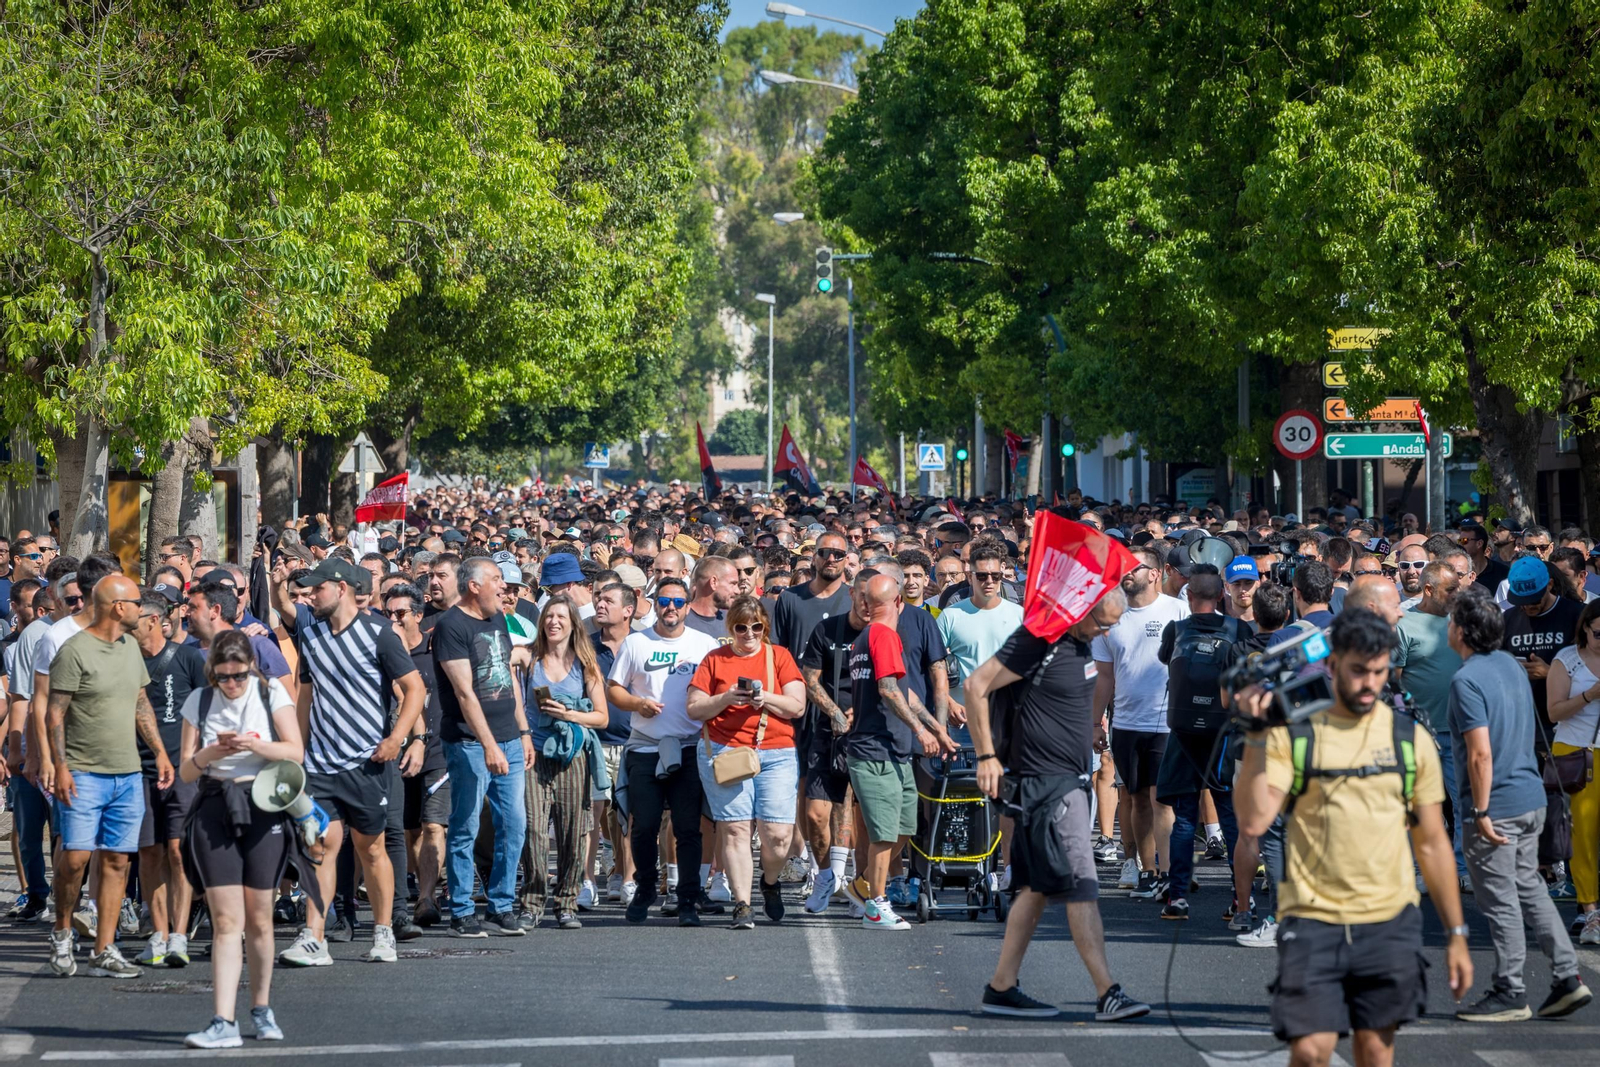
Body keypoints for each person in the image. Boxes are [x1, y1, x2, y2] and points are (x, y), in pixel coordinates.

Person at [1233, 609, 1471, 1067]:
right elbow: (1254, 821)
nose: (1369, 683)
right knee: (1310, 1049)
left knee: (1375, 1049)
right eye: (1358, 671)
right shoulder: (1295, 733)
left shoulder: (1409, 739)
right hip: (1311, 919)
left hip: (1389, 921)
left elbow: (1433, 842)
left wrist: (1457, 933)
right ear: (1333, 662)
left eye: (1379, 672)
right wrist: (1256, 735)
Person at [963, 585, 1151, 1021]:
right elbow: (975, 686)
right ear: (1082, 609)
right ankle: (1108, 992)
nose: (1107, 630)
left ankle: (1001, 986)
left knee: (1035, 889)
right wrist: (986, 756)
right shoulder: (1040, 638)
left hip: (1062, 783)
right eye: (1102, 621)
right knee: (1083, 886)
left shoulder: (1081, 643)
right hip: (1048, 787)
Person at [1442, 589, 1592, 1021]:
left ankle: (1510, 990)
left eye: (1452, 622)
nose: (1448, 628)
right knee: (1529, 887)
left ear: (1463, 632)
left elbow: (1479, 754)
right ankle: (1567, 977)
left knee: (1501, 898)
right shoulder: (1509, 664)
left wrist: (1482, 811)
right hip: (1530, 797)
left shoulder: (1466, 680)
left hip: (1498, 804)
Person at [276, 559, 424, 965]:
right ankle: (314, 937)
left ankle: (383, 931)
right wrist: (299, 752)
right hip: (321, 763)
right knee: (320, 845)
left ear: (340, 588)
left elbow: (413, 689)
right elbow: (305, 696)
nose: (308, 596)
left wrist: (398, 738)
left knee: (371, 848)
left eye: (315, 589)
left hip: (368, 763)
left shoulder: (380, 634)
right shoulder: (311, 636)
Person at [177, 631, 305, 1048]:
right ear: (212, 672)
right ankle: (223, 1020)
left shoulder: (271, 696)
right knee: (227, 922)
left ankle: (262, 1008)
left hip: (263, 803)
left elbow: (295, 751)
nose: (232, 685)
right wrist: (211, 753)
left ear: (251, 667)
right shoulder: (200, 701)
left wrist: (255, 745)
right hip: (216, 804)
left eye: (239, 676)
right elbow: (186, 772)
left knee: (260, 919)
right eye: (224, 677)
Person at [45, 574, 175, 979]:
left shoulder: (129, 649)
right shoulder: (74, 651)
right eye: (137, 602)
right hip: (83, 773)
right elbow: (55, 712)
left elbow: (141, 704)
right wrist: (60, 765)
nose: (143, 609)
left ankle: (105, 947)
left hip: (128, 774)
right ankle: (63, 932)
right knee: (77, 858)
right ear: (119, 607)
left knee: (119, 859)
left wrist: (159, 751)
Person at [841, 574, 958, 930]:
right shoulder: (882, 635)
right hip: (875, 750)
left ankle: (862, 886)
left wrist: (937, 727)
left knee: (906, 827)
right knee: (884, 835)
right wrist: (921, 730)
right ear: (898, 604)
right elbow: (889, 690)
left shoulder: (869, 636)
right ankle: (876, 906)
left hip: (896, 751)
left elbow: (905, 693)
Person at [687, 595, 807, 929]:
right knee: (736, 828)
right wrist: (726, 698)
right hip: (727, 752)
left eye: (755, 627)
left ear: (764, 627)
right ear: (732, 628)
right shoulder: (715, 659)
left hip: (776, 752)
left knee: (778, 835)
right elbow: (694, 707)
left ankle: (769, 882)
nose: (749, 634)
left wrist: (763, 697)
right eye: (741, 627)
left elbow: (797, 706)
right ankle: (742, 903)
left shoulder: (778, 656)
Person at [607, 576, 721, 924]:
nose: (670, 608)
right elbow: (614, 689)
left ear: (688, 606)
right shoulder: (636, 643)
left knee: (688, 827)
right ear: (654, 603)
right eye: (664, 601)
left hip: (687, 749)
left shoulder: (704, 644)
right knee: (643, 826)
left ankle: (687, 898)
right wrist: (636, 703)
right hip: (644, 748)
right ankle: (644, 888)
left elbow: (718, 691)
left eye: (678, 602)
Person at [434, 557, 532, 938]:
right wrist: (489, 744)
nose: (504, 587)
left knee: (515, 824)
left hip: (509, 736)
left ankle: (501, 905)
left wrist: (522, 733)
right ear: (474, 585)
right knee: (466, 825)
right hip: (470, 743)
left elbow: (509, 678)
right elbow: (464, 692)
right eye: (496, 580)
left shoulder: (497, 619)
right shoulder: (451, 625)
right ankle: (461, 909)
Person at [1091, 545, 1188, 900]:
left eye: (1134, 566)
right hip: (1126, 723)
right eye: (1122, 566)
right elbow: (1104, 676)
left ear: (1155, 572)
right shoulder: (1110, 614)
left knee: (1161, 799)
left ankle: (1166, 872)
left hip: (1168, 721)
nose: (1126, 572)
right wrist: (1094, 723)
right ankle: (1147, 871)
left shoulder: (1179, 610)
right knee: (1136, 798)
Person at [1153, 566, 1249, 922]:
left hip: (1183, 735)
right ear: (1221, 595)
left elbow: (1165, 659)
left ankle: (1177, 896)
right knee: (1229, 817)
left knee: (1183, 819)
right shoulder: (1239, 629)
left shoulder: (1176, 630)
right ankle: (1242, 899)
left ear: (1189, 597)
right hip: (1223, 735)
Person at [522, 594, 611, 929]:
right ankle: (531, 901)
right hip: (536, 754)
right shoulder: (530, 660)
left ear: (573, 623)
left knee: (573, 832)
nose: (553, 622)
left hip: (573, 756)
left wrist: (569, 714)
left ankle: (566, 901)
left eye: (561, 617)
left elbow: (601, 717)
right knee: (532, 829)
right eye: (548, 616)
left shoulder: (585, 664)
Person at [132, 589, 208, 967]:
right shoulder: (125, 660)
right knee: (148, 851)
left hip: (183, 770)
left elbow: (207, 708)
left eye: (132, 623)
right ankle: (158, 935)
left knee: (178, 851)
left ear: (152, 621)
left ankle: (179, 935)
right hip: (137, 769)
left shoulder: (188, 657)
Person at [798, 572, 869, 914]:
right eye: (863, 597)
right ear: (852, 594)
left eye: (877, 599)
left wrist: (861, 711)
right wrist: (837, 714)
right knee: (815, 814)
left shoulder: (884, 634)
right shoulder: (827, 630)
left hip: (869, 733)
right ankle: (826, 876)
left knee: (859, 816)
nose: (869, 606)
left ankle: (856, 884)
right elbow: (810, 680)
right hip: (828, 731)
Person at [1395, 562, 1467, 887]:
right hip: (1417, 732)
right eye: (1450, 589)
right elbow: (1392, 681)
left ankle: (1461, 869)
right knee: (1419, 804)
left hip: (1458, 730)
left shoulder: (1461, 621)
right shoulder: (1404, 625)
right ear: (1428, 590)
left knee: (1464, 802)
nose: (1457, 594)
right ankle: (1419, 869)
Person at [382, 584, 449, 928]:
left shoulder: (436, 650)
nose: (393, 620)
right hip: (395, 753)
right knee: (409, 830)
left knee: (434, 824)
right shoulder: (383, 653)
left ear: (419, 617)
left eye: (401, 613)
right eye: (388, 614)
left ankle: (427, 898)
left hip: (437, 749)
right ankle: (417, 887)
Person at [1547, 599, 1600, 944]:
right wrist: (1591, 694)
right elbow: (1554, 712)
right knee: (1583, 835)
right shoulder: (1566, 659)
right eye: (1598, 633)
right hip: (1577, 752)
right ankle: (1590, 911)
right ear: (1585, 628)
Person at [936, 539, 1024, 724]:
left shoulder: (1020, 615)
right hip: (963, 718)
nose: (989, 581)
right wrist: (949, 703)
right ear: (971, 576)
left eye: (995, 575)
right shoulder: (950, 615)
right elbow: (932, 664)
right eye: (982, 576)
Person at [1500, 556, 1584, 740]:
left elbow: (1593, 671)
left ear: (1549, 585)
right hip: (1521, 727)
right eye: (1521, 601)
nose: (1528, 606)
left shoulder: (1577, 615)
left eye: (1534, 599)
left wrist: (1551, 672)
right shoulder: (1507, 620)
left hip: (1568, 725)